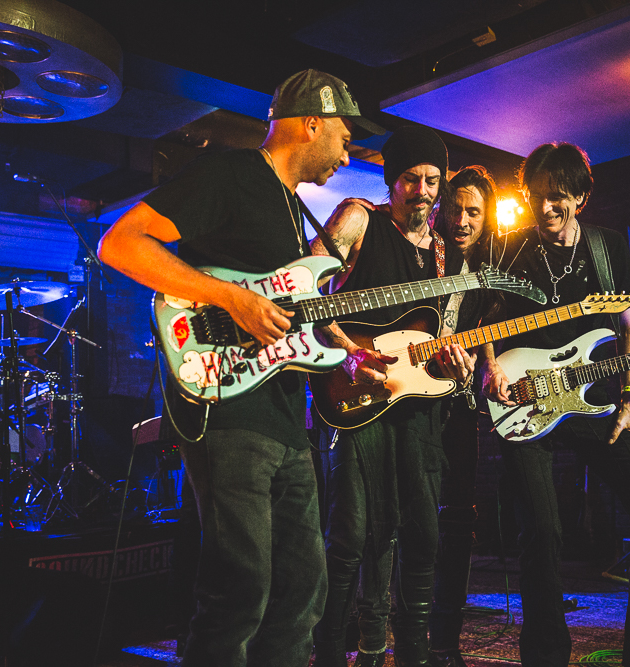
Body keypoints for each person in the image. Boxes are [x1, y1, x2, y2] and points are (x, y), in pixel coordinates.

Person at [97, 69, 384, 667]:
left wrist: (349, 351)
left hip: (286, 421)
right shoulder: (232, 174)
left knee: (305, 588)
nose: (347, 151)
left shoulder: (293, 209)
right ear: (312, 122)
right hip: (228, 412)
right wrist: (232, 298)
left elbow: (291, 311)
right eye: (344, 135)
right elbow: (121, 243)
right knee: (240, 589)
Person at [480, 143, 630, 667]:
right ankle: (545, 658)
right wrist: (491, 366)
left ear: (582, 198)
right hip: (526, 406)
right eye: (536, 197)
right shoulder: (508, 249)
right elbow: (485, 322)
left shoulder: (611, 249)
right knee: (541, 531)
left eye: (557, 198)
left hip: (594, 403)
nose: (545, 209)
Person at [311, 125, 475, 667]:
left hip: (419, 407)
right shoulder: (359, 218)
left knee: (424, 533)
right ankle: (332, 653)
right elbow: (303, 287)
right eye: (411, 179)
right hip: (355, 397)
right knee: (352, 534)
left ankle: (414, 655)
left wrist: (461, 363)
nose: (423, 192)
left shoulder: (448, 259)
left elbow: (446, 335)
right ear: (391, 180)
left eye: (432, 181)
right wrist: (347, 353)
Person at [428, 166, 500, 667]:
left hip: (460, 407)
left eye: (473, 211)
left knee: (457, 523)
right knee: (406, 518)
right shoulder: (425, 256)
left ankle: (445, 644)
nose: (462, 219)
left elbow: (493, 333)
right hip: (413, 400)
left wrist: (482, 363)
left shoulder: (493, 270)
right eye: (455, 208)